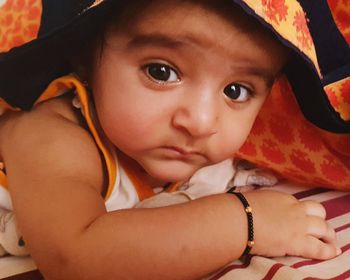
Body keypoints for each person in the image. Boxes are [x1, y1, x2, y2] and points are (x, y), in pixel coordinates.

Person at [0, 0, 342, 279]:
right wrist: (244, 221)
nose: (200, 122)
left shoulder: (194, 148)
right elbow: (73, 258)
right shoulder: (51, 133)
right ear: (86, 58)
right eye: (161, 72)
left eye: (236, 91)